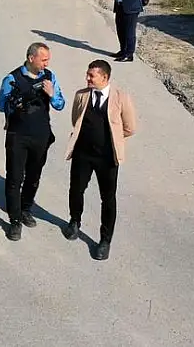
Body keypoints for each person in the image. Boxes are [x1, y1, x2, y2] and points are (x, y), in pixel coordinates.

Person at [63, 60, 137, 261]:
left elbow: (130, 128)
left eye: (91, 76)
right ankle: (74, 221)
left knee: (108, 198)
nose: (87, 78)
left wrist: (111, 140)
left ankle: (105, 240)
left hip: (107, 158)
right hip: (83, 154)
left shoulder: (121, 98)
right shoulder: (82, 95)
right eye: (87, 74)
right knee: (76, 189)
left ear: (104, 77)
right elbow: (75, 119)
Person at [0, 42, 65, 242]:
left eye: (48, 60)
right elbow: (0, 104)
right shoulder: (12, 78)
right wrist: (14, 102)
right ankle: (14, 221)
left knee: (34, 176)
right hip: (18, 135)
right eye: (43, 60)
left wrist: (52, 95)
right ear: (31, 58)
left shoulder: (50, 78)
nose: (46, 64)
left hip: (41, 135)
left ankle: (26, 208)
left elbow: (60, 104)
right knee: (14, 177)